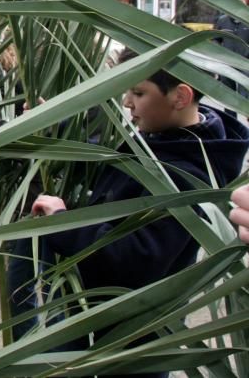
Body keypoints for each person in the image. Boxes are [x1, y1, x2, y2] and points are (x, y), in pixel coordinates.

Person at [14, 49, 249, 377]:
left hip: (135, 339)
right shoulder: (167, 140)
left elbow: (135, 259)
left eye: (138, 92)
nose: (127, 102)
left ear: (181, 96)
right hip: (118, 325)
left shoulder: (184, 173)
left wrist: (62, 221)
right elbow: (115, 189)